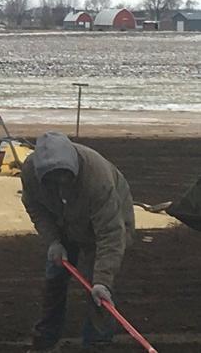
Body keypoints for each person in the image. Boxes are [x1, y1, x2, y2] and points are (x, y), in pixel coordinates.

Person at [20, 132, 135, 351]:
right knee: (54, 278)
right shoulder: (30, 173)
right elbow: (36, 208)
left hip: (105, 222)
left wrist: (103, 280)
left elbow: (110, 234)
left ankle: (97, 343)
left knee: (98, 291)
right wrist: (53, 241)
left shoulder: (97, 180)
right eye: (54, 178)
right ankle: (45, 339)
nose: (62, 181)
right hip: (63, 221)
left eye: (65, 175)